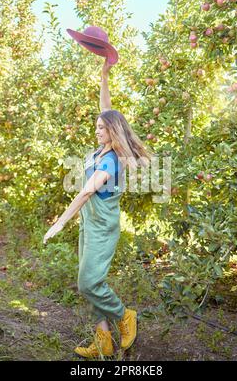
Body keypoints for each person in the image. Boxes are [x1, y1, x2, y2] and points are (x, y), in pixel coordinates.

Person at [43, 57, 152, 358]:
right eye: (96, 126)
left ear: (113, 131)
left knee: (88, 282)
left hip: (103, 227)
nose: (97, 130)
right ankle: (103, 340)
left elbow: (86, 192)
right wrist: (104, 76)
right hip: (89, 225)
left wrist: (61, 222)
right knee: (88, 283)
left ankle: (124, 315)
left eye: (101, 128)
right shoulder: (101, 148)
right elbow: (107, 110)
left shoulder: (113, 158)